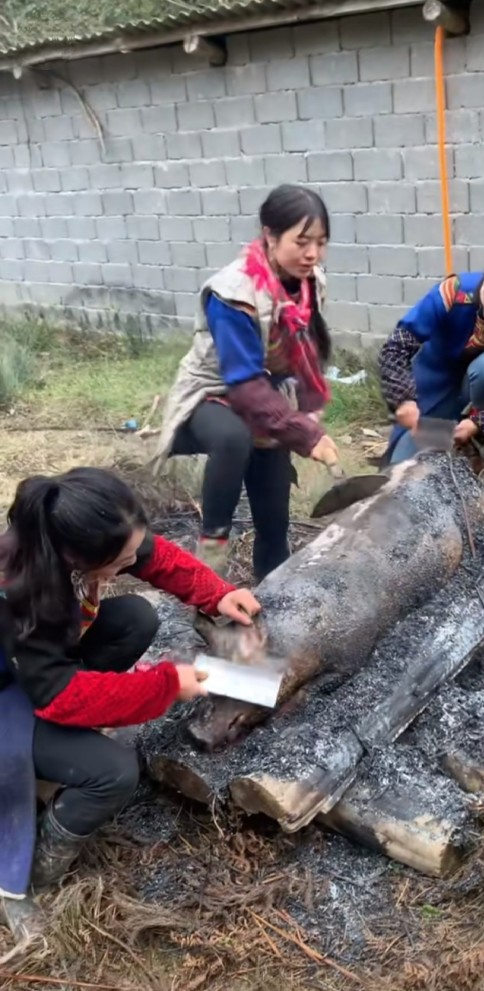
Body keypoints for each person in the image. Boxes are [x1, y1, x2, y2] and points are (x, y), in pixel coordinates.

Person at [0, 466, 260, 919]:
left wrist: (216, 594)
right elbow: (58, 696)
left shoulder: (75, 536)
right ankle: (35, 867)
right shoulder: (22, 592)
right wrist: (162, 686)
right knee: (115, 772)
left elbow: (151, 555)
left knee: (136, 617)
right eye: (120, 563)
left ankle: (58, 745)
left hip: (37, 671)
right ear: (75, 558)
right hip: (12, 692)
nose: (132, 563)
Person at [154, 184, 339, 582]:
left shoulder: (309, 282)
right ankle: (211, 559)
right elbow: (242, 382)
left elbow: (310, 346)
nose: (313, 254)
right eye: (302, 242)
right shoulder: (234, 292)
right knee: (234, 439)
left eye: (321, 243)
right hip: (213, 393)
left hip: (267, 395)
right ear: (270, 236)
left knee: (274, 515)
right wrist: (301, 433)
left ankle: (274, 598)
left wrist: (309, 411)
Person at [378, 242, 484, 464]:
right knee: (401, 467)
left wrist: (480, 423)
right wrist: (403, 399)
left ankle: (478, 439)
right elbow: (397, 348)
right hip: (433, 385)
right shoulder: (454, 292)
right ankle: (443, 430)